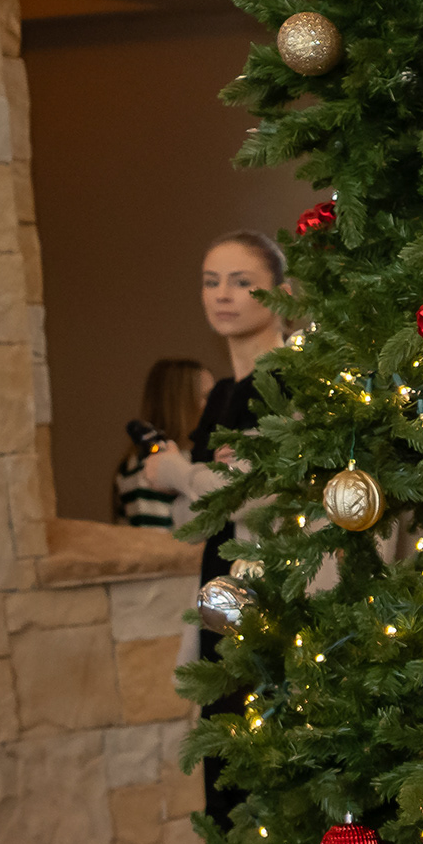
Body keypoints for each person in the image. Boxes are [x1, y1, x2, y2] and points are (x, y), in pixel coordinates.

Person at [115, 231, 290, 586]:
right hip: (217, 588)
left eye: (241, 282)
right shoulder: (221, 395)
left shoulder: (289, 379)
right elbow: (192, 524)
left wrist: (177, 472)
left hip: (276, 585)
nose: (222, 294)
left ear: (282, 295)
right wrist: (194, 481)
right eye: (211, 282)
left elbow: (253, 494)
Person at [114, 359, 211, 529]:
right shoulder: (147, 467)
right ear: (181, 403)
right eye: (207, 396)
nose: (216, 405)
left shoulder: (196, 457)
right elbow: (155, 539)